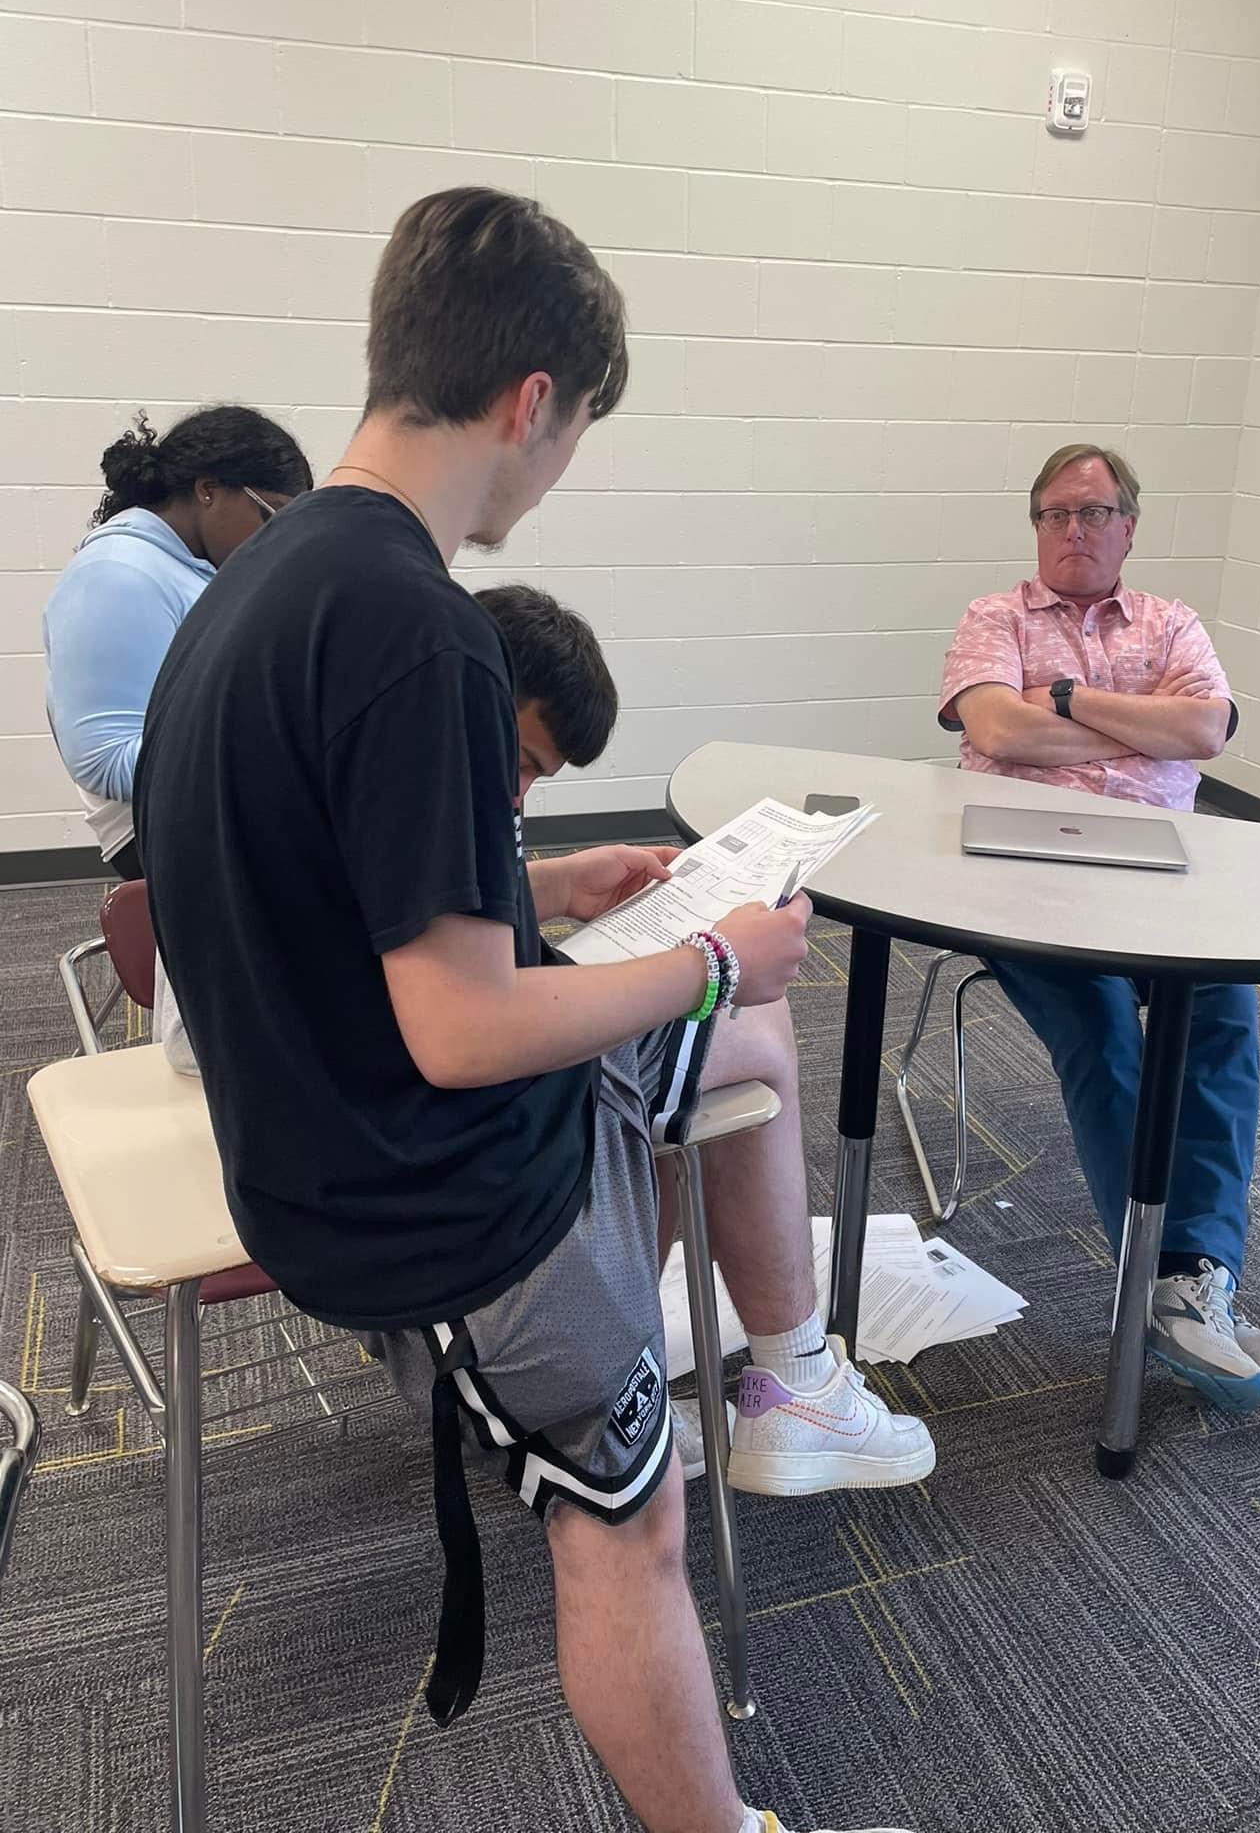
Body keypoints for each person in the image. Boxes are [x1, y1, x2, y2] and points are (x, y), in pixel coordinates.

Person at [136, 187, 929, 1833]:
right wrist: (714, 955)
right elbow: (460, 1033)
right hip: (432, 1185)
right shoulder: (421, 625)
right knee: (627, 1529)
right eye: (575, 438)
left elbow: (326, 897)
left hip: (301, 1138)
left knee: (742, 1048)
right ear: (531, 403)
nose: (558, 474)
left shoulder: (261, 577)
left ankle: (775, 1377)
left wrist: (548, 889)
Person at [938, 440, 1260, 1416]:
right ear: (1036, 527)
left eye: (1093, 513)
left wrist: (1061, 697)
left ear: (1129, 527)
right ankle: (1171, 1287)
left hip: (1159, 878)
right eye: (1056, 513)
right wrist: (1136, 718)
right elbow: (998, 733)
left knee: (1223, 1006)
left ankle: (1190, 1282)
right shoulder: (995, 616)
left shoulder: (1172, 622)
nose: (1073, 530)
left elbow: (1206, 732)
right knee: (1103, 1028)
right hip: (1021, 880)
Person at [41, 406, 313, 877]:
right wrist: (273, 747)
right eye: (270, 516)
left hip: (207, 811)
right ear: (208, 490)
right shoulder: (116, 574)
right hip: (161, 834)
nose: (277, 541)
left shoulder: (190, 567)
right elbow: (106, 762)